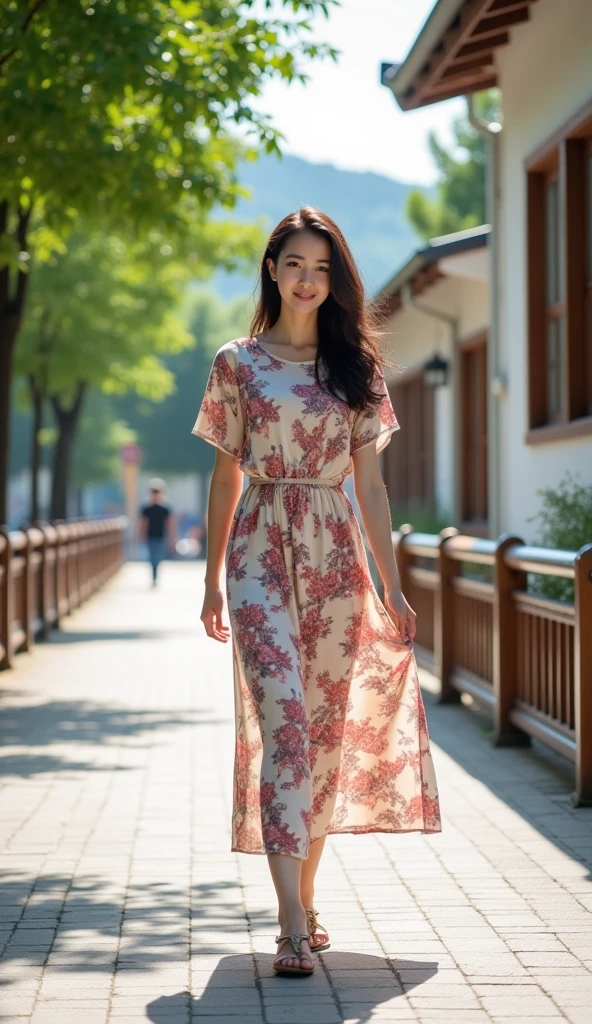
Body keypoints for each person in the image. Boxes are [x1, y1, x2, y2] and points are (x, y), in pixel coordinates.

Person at [192, 207, 441, 977]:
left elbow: (372, 487)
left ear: (335, 280)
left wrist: (390, 587)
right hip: (260, 548)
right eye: (295, 263)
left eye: (322, 268)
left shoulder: (355, 367)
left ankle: (306, 893)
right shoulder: (238, 362)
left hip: (336, 555)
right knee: (287, 726)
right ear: (272, 269)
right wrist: (209, 584)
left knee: (325, 736)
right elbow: (225, 473)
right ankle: (291, 921)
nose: (308, 279)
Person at [139, 479, 173, 586]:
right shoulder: (146, 508)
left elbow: (169, 524)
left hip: (161, 536)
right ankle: (153, 575)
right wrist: (141, 535)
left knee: (158, 557)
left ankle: (155, 574)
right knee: (151, 557)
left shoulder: (165, 508)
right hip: (150, 536)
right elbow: (143, 523)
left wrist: (172, 537)